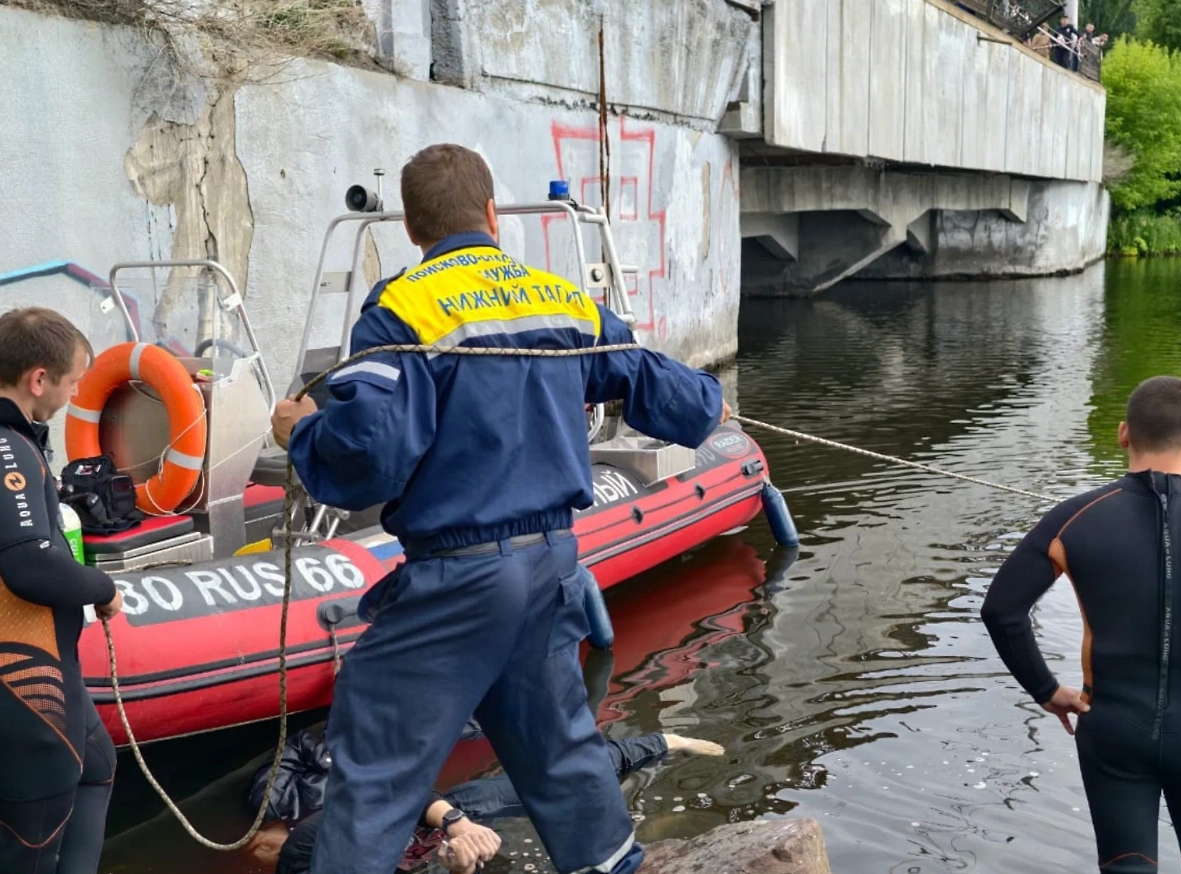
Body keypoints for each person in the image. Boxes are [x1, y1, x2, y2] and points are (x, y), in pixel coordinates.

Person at [270, 143, 732, 874]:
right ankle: (612, 866)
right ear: (492, 214)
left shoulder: (402, 308)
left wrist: (302, 434)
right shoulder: (558, 298)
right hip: (550, 566)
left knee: (377, 763)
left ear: (413, 229)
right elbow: (639, 370)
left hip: (455, 578)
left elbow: (368, 457)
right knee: (561, 750)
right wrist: (707, 407)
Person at [982, 375, 1181, 874]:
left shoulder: (1073, 518)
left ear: (1124, 434)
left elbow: (1001, 610)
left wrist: (1044, 688)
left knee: (1128, 867)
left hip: (1112, 725)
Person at [243, 726, 723, 874]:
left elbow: (386, 797)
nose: (261, 851)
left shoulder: (290, 812)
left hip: (430, 809)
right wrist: (460, 866)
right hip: (429, 829)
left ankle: (662, 742)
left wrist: (453, 820)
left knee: (546, 779)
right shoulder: (306, 860)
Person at [0, 308, 124, 873]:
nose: (76, 394)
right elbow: (29, 560)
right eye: (73, 382)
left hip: (54, 682)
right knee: (31, 846)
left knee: (98, 765)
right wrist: (102, 587)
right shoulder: (9, 448)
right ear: (38, 379)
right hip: (29, 692)